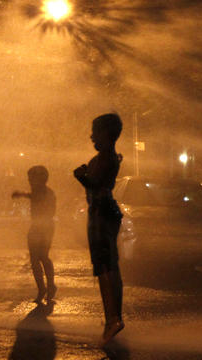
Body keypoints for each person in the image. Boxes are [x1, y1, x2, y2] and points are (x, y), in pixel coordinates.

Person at [73, 113, 124, 346]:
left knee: (104, 267)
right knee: (108, 266)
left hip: (101, 214)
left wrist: (81, 176)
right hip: (104, 214)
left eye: (95, 131)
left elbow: (96, 184)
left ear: (106, 134)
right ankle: (112, 318)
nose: (91, 135)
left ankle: (112, 319)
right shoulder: (108, 157)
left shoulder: (106, 158)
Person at [12, 166, 57, 303]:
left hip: (44, 227)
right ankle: (44, 288)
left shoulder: (45, 193)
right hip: (39, 227)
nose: (29, 180)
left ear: (41, 179)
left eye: (32, 178)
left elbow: (39, 200)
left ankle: (48, 287)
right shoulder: (40, 191)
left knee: (41, 257)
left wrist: (22, 194)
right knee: (36, 259)